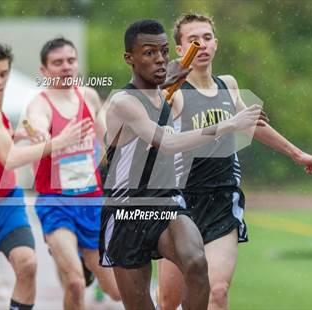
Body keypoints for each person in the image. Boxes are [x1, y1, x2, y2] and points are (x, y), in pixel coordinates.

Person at [157, 13, 312, 310]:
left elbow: (252, 124)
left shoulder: (229, 86)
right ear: (181, 50)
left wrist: (297, 154)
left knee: (217, 291)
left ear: (216, 43)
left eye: (207, 38)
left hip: (223, 200)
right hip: (179, 205)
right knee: (170, 301)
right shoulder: (175, 94)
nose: (203, 45)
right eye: (194, 40)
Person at [99, 19, 266, 310]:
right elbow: (167, 142)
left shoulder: (170, 91)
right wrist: (228, 125)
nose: (160, 58)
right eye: (149, 52)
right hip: (127, 210)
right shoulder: (123, 102)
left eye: (164, 51)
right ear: (129, 58)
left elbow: (179, 96)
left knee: (196, 262)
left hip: (167, 203)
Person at [0, 43, 90, 310]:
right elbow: (11, 159)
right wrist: (59, 142)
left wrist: (17, 134)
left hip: (6, 204)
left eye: (3, 74)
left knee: (28, 264)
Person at [26, 37, 120, 310]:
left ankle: (81, 260)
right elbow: (38, 131)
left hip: (92, 202)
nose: (66, 67)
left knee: (115, 291)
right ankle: (69, 258)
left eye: (70, 61)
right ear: (44, 71)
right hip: (56, 204)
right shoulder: (39, 105)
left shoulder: (88, 96)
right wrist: (50, 138)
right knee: (75, 284)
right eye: (57, 63)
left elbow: (109, 138)